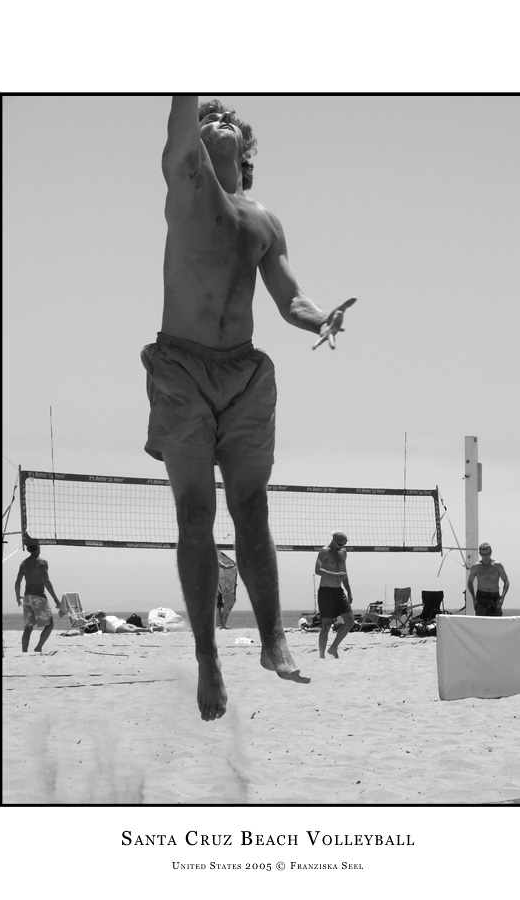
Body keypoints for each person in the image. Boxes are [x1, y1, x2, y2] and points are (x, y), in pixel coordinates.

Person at [141, 96, 355, 721]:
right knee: (194, 512)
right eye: (209, 120)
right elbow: (181, 116)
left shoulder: (263, 220)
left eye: (229, 119)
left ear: (247, 147)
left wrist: (321, 318)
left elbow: (289, 295)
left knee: (252, 507)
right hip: (181, 365)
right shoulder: (185, 178)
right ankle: (208, 656)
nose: (219, 123)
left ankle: (272, 639)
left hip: (243, 371)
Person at [14, 539, 61, 653]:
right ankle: (38, 647)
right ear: (38, 549)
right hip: (38, 597)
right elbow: (46, 581)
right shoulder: (42, 563)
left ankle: (24, 652)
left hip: (27, 597)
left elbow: (17, 582)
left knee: (28, 627)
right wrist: (56, 599)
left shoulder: (24, 563)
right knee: (50, 625)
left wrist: (17, 596)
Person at [315, 532, 355, 658]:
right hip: (326, 591)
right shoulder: (324, 551)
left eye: (345, 543)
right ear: (334, 540)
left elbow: (344, 572)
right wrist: (335, 575)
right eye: (342, 543)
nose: (343, 545)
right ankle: (321, 655)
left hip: (339, 591)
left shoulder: (343, 552)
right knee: (326, 624)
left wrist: (349, 590)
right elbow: (317, 570)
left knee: (350, 621)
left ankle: (333, 648)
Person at [467, 542, 510, 616]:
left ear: (491, 553)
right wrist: (473, 598)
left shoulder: (497, 565)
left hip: (494, 596)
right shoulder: (476, 567)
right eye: (483, 554)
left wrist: (502, 598)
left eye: (487, 554)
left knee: (496, 622)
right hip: (481, 596)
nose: (486, 557)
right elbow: (470, 582)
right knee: (481, 622)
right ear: (480, 554)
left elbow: (506, 581)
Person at [92, 611, 162, 634]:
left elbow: (103, 630)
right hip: (123, 624)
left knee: (135, 630)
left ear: (100, 616)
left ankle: (154, 629)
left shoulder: (103, 620)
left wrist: (100, 624)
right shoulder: (112, 616)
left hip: (118, 628)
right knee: (138, 628)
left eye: (97, 617)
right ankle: (156, 628)